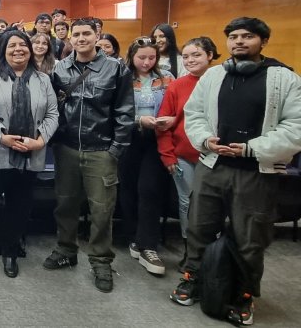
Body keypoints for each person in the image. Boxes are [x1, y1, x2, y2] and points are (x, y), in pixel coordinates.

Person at [170, 17, 301, 326]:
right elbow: (195, 113)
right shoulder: (214, 76)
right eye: (234, 37)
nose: (239, 41)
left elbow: (295, 127)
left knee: (250, 237)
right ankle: (192, 278)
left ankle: (244, 293)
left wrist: (250, 148)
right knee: (200, 227)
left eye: (248, 36)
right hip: (212, 166)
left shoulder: (284, 79)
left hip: (255, 171)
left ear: (263, 42)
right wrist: (204, 140)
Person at [44, 18, 134, 293]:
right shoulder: (60, 69)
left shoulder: (116, 69)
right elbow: (54, 109)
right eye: (77, 34)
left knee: (102, 209)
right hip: (68, 148)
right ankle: (66, 249)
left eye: (87, 34)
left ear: (97, 36)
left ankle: (100, 260)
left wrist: (115, 150)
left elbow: (125, 112)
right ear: (70, 38)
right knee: (65, 204)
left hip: (101, 150)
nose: (81, 39)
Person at [0, 30, 59, 277]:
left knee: (18, 206)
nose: (18, 49)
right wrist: (2, 136)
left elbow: (53, 114)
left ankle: (10, 251)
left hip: (29, 153)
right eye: (12, 46)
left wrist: (40, 141)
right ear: (3, 51)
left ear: (30, 50)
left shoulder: (43, 80)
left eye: (23, 45)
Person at [156, 37, 219, 269]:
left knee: (213, 206)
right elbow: (163, 123)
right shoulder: (177, 85)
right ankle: (190, 250)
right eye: (187, 56)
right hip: (183, 155)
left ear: (210, 56)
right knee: (187, 203)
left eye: (197, 55)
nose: (191, 60)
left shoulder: (222, 82)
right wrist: (167, 154)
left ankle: (211, 252)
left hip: (216, 157)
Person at [117, 37, 175, 276]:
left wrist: (169, 120)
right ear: (132, 57)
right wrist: (138, 120)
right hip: (129, 137)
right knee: (128, 189)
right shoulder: (122, 79)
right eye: (142, 57)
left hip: (157, 139)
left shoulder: (166, 79)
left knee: (149, 189)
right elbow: (114, 111)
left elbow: (176, 108)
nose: (147, 62)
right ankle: (133, 235)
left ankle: (148, 244)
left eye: (152, 57)